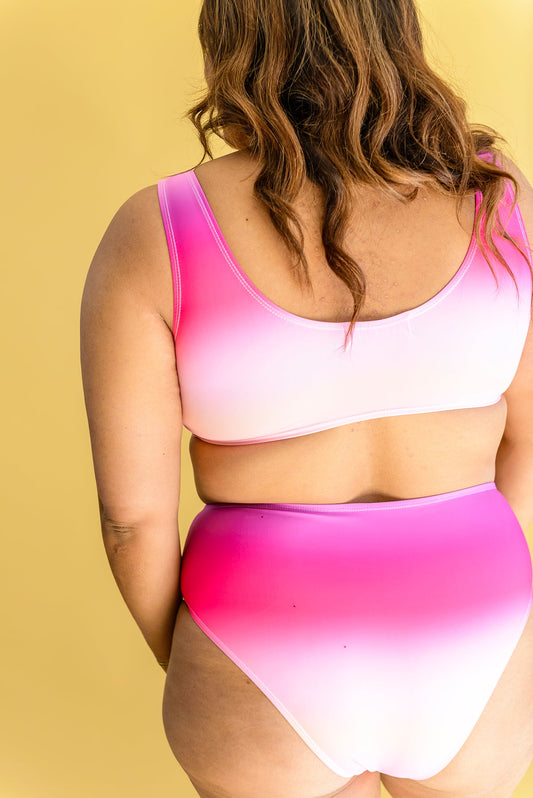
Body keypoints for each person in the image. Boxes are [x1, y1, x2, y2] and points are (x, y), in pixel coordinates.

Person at [79, 1, 533, 797]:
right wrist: (498, 591)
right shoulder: (492, 201)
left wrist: (207, 661)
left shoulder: (157, 231)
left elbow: (132, 523)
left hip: (259, 631)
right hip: (480, 627)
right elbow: (526, 440)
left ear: (230, 44)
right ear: (394, 31)